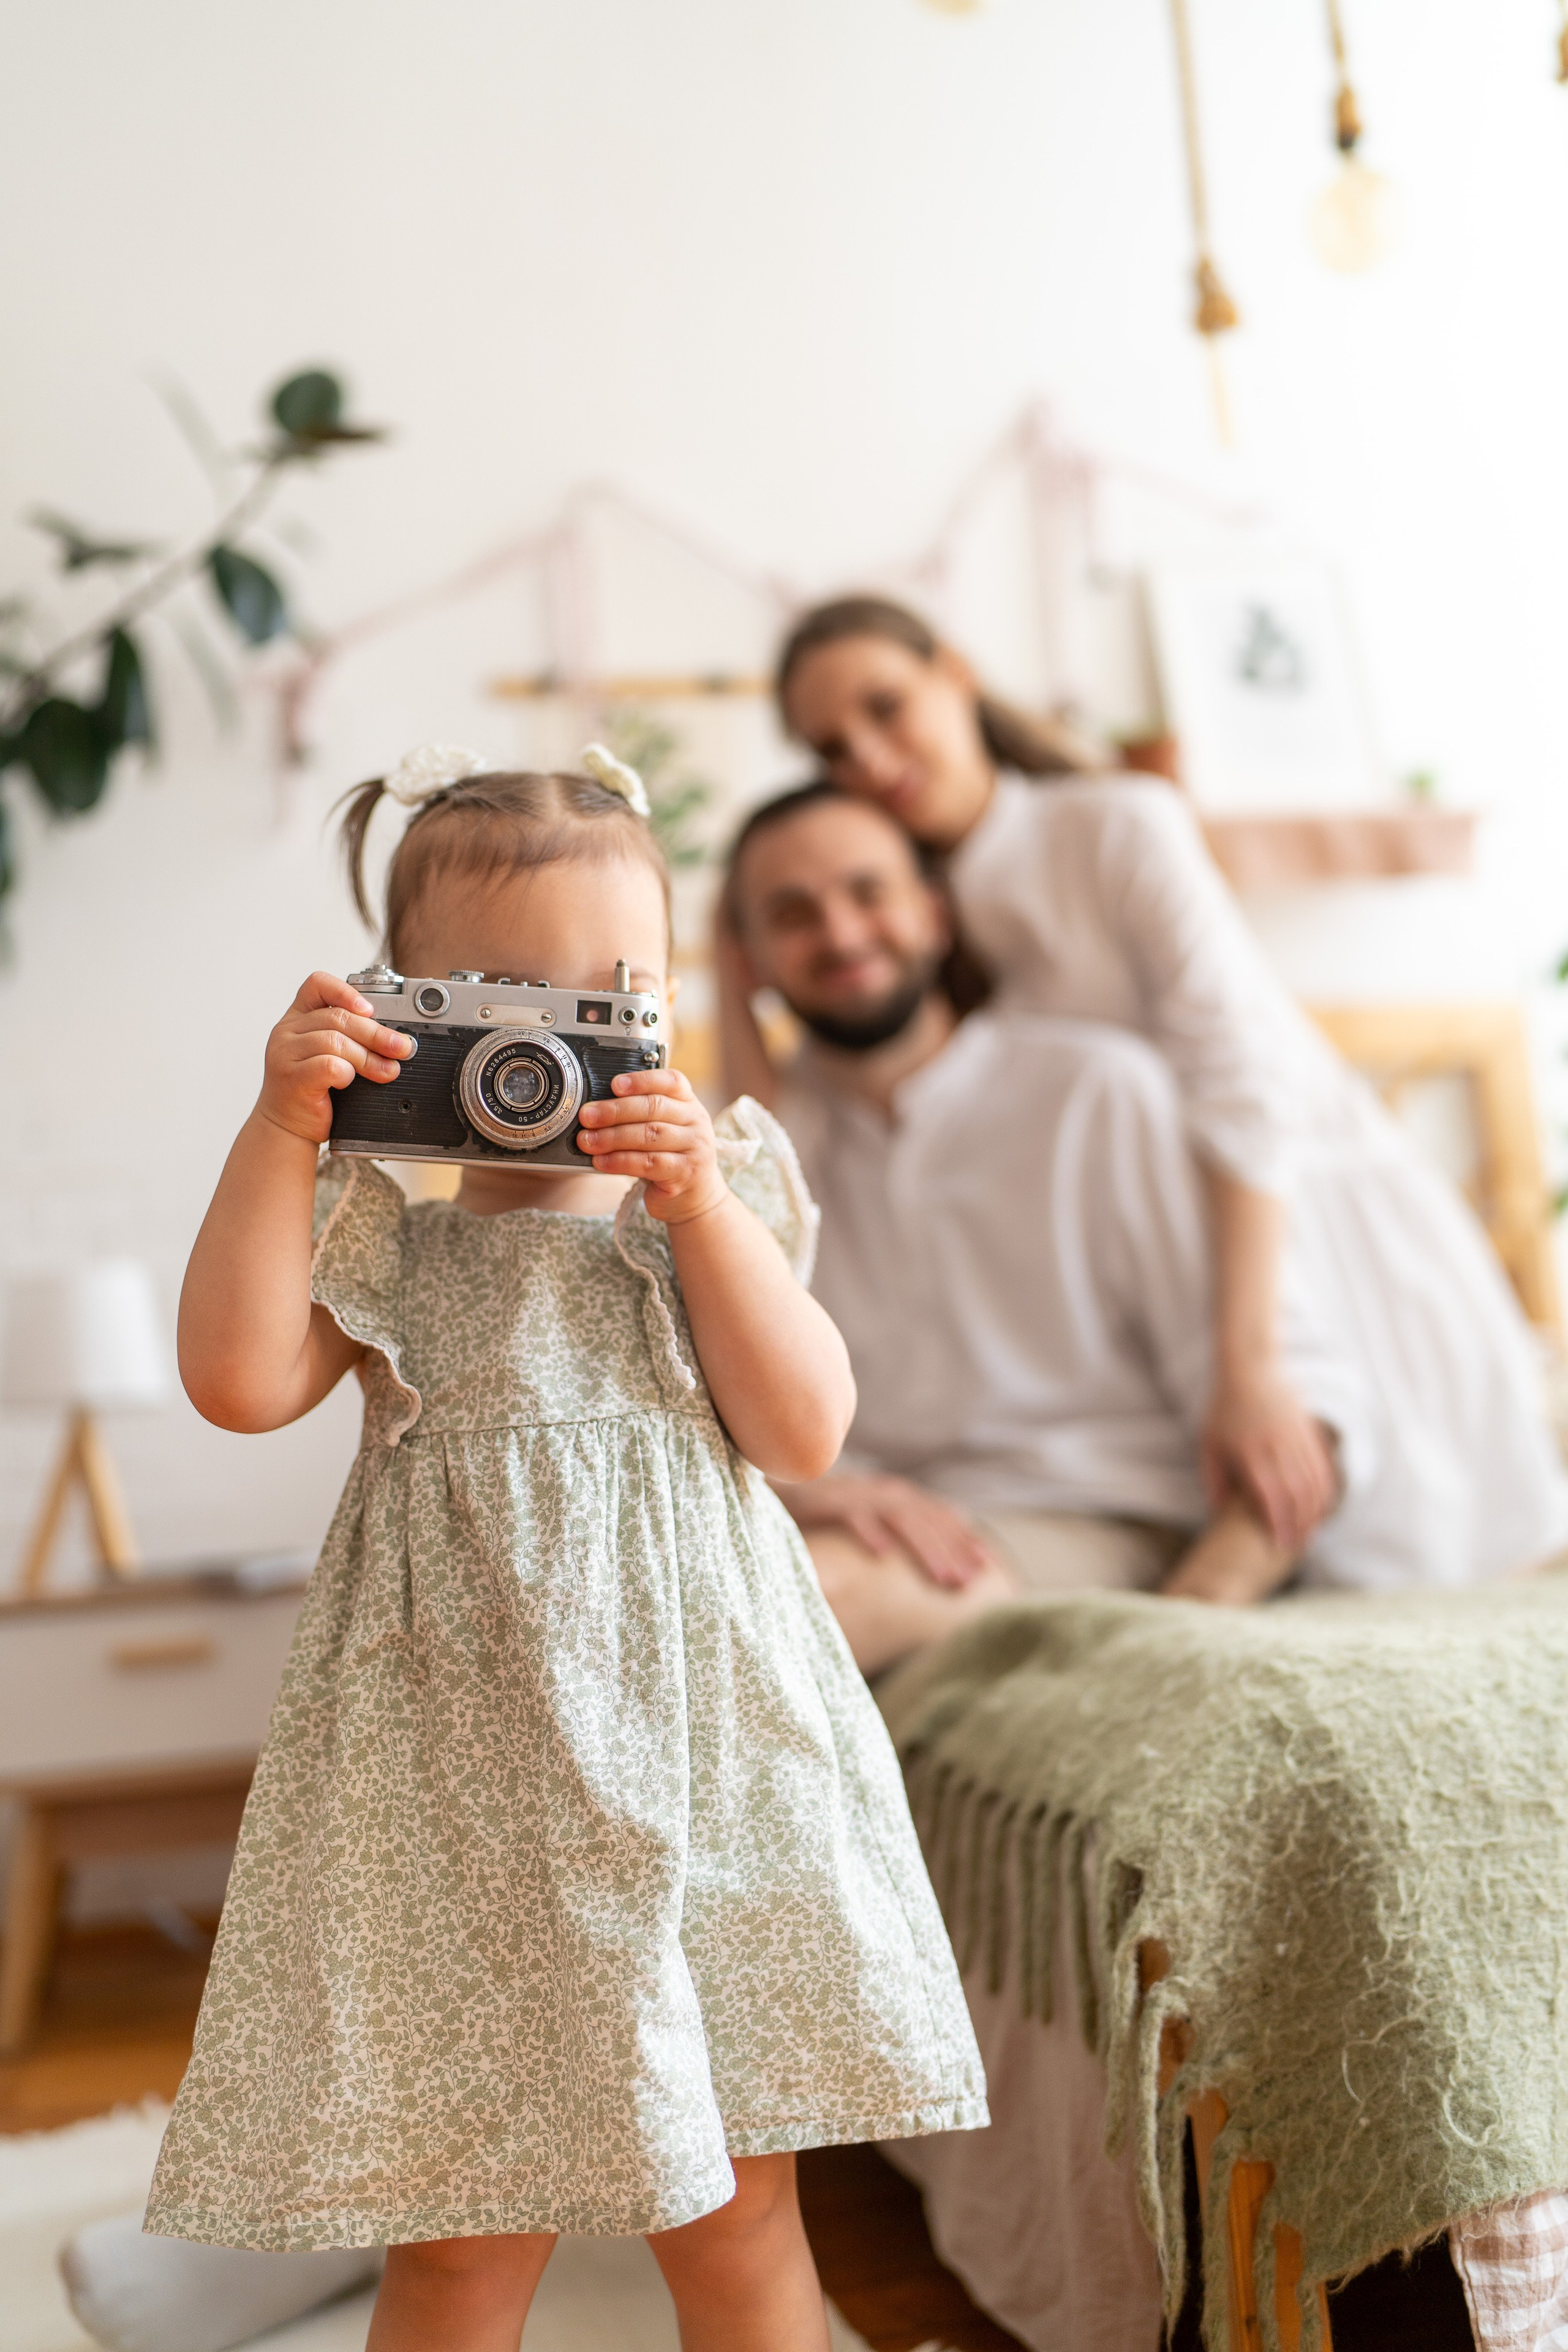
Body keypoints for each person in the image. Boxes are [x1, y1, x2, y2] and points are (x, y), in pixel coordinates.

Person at [145, 744, 986, 2352]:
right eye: (506, 999)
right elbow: (237, 1380)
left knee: (738, 2228)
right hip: (462, 1809)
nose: (552, 1045)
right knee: (461, 2246)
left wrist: (699, 1217)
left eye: (617, 998)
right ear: (405, 1008)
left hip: (706, 1776)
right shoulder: (375, 1221)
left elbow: (806, 1430)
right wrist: (281, 1123)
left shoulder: (708, 1207)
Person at [747, 593, 1568, 1596]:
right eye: (832, 748)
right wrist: (728, 950)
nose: (869, 760)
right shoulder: (925, 911)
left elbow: (1241, 1083)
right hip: (1186, 1240)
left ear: (955, 677)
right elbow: (763, 1149)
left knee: (1427, 1537)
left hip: (1296, 1207)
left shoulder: (1117, 825)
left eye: (887, 707)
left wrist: (1250, 1358)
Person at [722, 781, 1381, 1674]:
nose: (840, 934)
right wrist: (814, 1495)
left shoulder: (1096, 1092)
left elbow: (1306, 1412)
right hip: (914, 1524)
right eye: (792, 915)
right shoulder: (758, 1164)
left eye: (868, 892)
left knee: (784, 1600)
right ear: (750, 958)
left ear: (936, 912)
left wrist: (1182, 1630)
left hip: (1109, 1518)